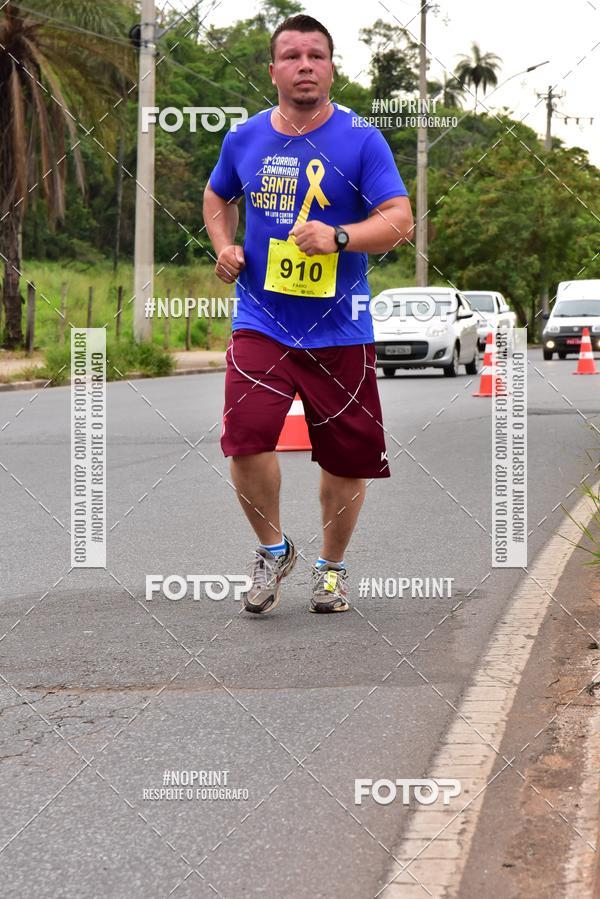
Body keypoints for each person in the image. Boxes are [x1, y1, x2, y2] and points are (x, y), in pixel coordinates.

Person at [203, 14, 413, 615]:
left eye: (315, 56)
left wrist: (340, 237)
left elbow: (399, 220)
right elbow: (217, 195)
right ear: (272, 70)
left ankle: (331, 568)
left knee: (346, 457)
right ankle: (274, 551)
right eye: (292, 56)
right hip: (261, 321)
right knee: (245, 439)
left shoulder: (362, 139)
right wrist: (225, 246)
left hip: (341, 327)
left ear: (331, 69)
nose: (304, 66)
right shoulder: (244, 138)